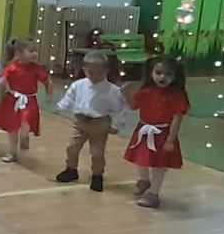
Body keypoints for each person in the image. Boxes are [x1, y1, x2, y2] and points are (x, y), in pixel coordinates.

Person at [54, 51, 127, 192]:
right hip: (80, 122)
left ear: (106, 71)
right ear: (84, 70)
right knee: (72, 147)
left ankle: (97, 175)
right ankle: (71, 169)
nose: (94, 76)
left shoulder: (113, 91)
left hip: (100, 123)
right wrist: (61, 106)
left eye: (99, 73)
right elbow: (69, 98)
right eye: (90, 72)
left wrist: (116, 125)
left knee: (97, 153)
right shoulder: (78, 85)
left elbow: (120, 109)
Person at [123, 55, 189, 208]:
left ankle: (154, 193)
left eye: (168, 74)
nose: (162, 77)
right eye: (158, 73)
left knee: (160, 165)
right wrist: (126, 94)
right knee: (140, 159)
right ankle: (144, 180)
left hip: (163, 134)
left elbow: (177, 118)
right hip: (144, 130)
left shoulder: (177, 95)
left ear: (175, 76)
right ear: (151, 73)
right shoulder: (146, 91)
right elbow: (133, 106)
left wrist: (170, 139)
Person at [0, 38, 53, 163]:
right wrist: (1, 95)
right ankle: (12, 152)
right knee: (12, 129)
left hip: (29, 101)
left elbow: (47, 82)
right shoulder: (12, 67)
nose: (34, 53)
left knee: (26, 122)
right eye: (31, 51)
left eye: (35, 51)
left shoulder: (36, 68)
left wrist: (49, 95)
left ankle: (25, 136)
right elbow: (3, 81)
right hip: (13, 100)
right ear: (19, 53)